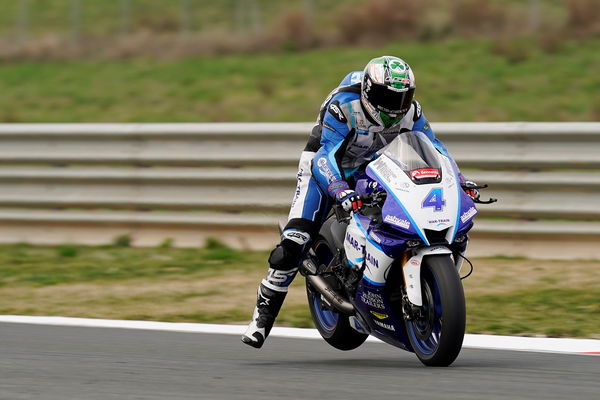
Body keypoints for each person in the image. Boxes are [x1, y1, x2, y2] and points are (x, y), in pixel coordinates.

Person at [242, 55, 476, 348]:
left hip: (377, 164)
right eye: (385, 96)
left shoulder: (411, 112)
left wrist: (461, 181)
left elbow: (435, 148)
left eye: (402, 96)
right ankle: (262, 318)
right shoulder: (344, 108)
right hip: (328, 165)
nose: (394, 105)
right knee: (295, 242)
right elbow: (325, 157)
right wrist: (339, 190)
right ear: (367, 90)